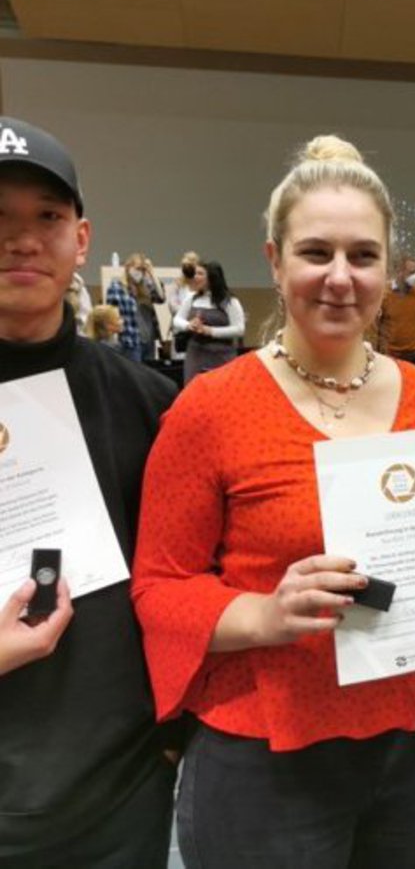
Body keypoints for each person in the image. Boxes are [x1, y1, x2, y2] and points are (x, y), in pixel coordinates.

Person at [131, 134, 415, 869]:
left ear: (388, 269)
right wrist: (266, 614)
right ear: (275, 262)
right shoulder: (210, 408)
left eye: (363, 256)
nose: (340, 277)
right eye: (316, 253)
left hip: (408, 743)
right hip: (263, 753)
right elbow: (159, 589)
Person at [0, 116, 177, 867]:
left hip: (119, 794)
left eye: (47, 216)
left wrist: (173, 734)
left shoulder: (149, 401)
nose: (22, 240)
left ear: (81, 238)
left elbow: (183, 580)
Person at [173, 258, 245, 383]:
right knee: (193, 389)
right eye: (195, 273)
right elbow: (177, 319)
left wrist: (210, 331)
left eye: (200, 274)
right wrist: (188, 325)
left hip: (221, 355)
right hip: (195, 354)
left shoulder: (230, 301)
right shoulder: (192, 298)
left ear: (212, 277)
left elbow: (240, 329)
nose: (195, 277)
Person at [105, 251, 165, 361]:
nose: (140, 272)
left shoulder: (146, 287)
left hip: (149, 342)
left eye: (143, 270)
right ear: (128, 268)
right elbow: (110, 316)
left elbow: (161, 298)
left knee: (148, 372)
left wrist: (151, 272)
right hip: (130, 342)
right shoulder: (117, 287)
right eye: (138, 268)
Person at [167, 249, 200, 360]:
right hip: (180, 332)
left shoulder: (201, 286)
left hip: (196, 332)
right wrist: (187, 312)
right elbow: (172, 305)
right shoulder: (177, 284)